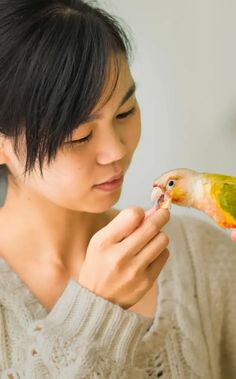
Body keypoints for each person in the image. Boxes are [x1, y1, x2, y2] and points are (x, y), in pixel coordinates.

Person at [0, 1, 235, 378]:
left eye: (125, 113)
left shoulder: (201, 256)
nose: (117, 150)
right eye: (79, 135)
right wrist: (95, 312)